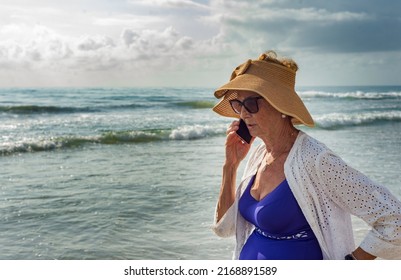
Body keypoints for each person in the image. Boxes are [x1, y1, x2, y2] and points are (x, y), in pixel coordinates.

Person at [211, 51, 401, 260]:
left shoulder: (315, 160)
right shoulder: (259, 156)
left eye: (251, 104)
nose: (243, 113)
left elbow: (394, 220)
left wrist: (351, 264)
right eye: (238, 104)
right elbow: (224, 229)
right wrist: (230, 165)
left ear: (280, 105)